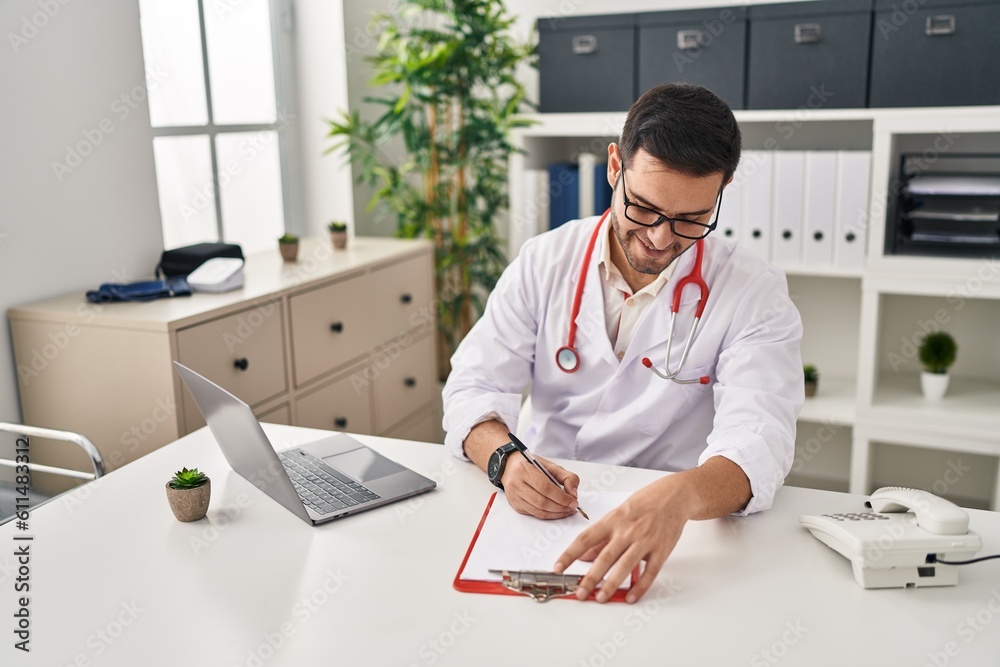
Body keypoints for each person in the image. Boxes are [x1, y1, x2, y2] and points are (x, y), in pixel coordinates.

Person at [442, 83, 803, 604]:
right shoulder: (545, 260)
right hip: (535, 520)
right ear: (615, 167)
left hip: (678, 524)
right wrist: (505, 461)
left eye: (690, 219)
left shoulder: (753, 293)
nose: (660, 239)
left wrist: (678, 498)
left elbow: (761, 439)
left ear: (721, 191)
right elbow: (472, 386)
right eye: (643, 208)